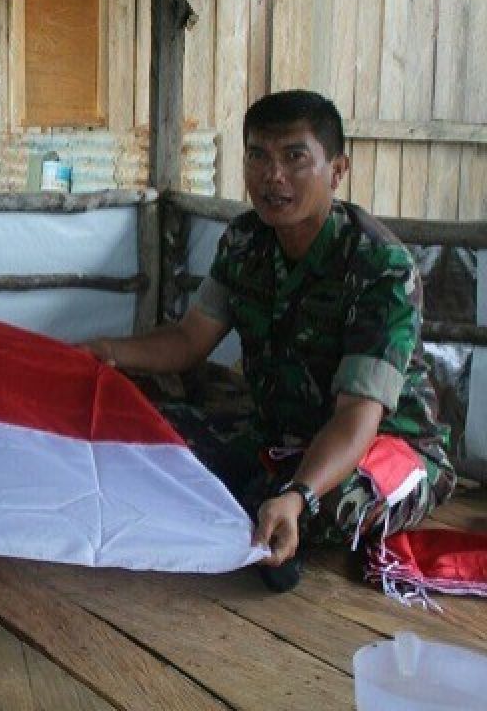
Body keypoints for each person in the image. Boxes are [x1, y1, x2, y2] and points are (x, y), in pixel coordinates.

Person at [82, 91, 455, 591]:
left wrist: (300, 494)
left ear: (336, 169)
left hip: (384, 444)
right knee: (145, 430)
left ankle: (273, 510)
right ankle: (257, 506)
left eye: (294, 157)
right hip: (279, 437)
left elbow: (356, 417)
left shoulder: (380, 266)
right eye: (257, 156)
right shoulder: (244, 241)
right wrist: (107, 352)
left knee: (333, 503)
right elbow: (190, 339)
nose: (272, 175)